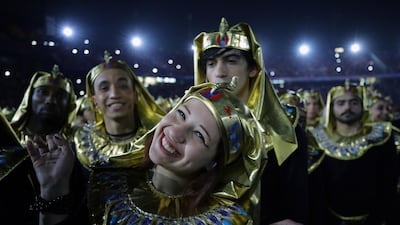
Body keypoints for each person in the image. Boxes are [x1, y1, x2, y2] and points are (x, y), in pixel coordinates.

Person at [27, 79, 266, 225]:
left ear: (214, 163)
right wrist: (53, 187)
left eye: (199, 135)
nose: (176, 132)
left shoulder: (226, 221)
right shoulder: (106, 184)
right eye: (181, 114)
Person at [193, 17, 308, 225]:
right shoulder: (193, 127)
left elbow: (296, 204)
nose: (219, 72)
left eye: (231, 61)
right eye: (211, 64)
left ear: (253, 69)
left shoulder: (282, 128)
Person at [307, 81, 399, 224]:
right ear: (332, 107)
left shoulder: (382, 136)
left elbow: (389, 184)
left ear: (363, 105)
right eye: (341, 103)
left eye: (354, 102)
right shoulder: (315, 138)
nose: (347, 107)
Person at [0, 65, 78, 225]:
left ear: (68, 105)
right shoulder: (4, 135)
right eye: (43, 92)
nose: (50, 100)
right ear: (29, 97)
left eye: (60, 96)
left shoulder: (76, 149)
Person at [74, 50, 165, 169]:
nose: (114, 94)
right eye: (104, 88)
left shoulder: (159, 139)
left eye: (123, 86)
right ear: (94, 101)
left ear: (135, 95)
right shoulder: (83, 143)